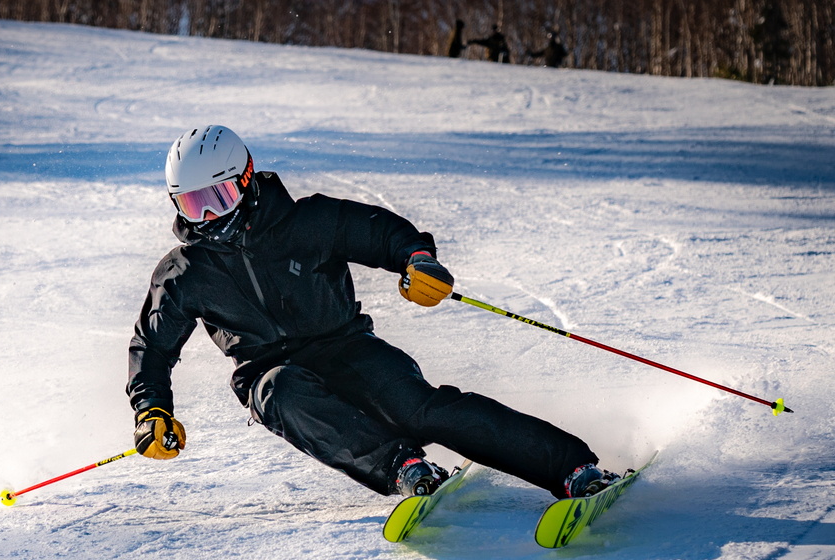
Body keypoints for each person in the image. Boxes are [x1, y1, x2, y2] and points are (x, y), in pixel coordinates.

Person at [127, 126, 618, 501]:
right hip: (268, 372)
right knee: (282, 393)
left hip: (347, 346)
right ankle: (403, 468)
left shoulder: (307, 221)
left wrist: (416, 259)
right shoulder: (184, 273)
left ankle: (572, 469)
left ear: (247, 180)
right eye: (193, 206)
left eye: (218, 199)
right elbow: (152, 347)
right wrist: (151, 412)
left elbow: (379, 231)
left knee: (420, 408)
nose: (209, 219)